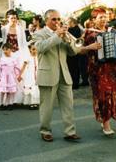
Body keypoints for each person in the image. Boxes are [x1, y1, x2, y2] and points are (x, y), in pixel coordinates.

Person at [33, 9, 81, 142]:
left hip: (64, 74)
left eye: (59, 19)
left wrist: (68, 41)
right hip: (48, 74)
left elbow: (74, 51)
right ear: (46, 20)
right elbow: (41, 48)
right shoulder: (38, 34)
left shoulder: (65, 33)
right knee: (46, 106)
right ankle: (45, 130)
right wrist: (56, 36)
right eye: (54, 19)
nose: (57, 22)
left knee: (68, 105)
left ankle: (70, 132)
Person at [82, 7, 116, 136]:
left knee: (114, 94)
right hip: (98, 70)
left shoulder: (113, 31)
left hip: (114, 70)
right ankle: (106, 122)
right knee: (103, 96)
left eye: (105, 16)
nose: (104, 19)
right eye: (100, 17)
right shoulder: (89, 33)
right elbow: (83, 49)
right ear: (94, 19)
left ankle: (105, 117)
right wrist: (90, 46)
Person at [0, 9, 31, 104]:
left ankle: (16, 99)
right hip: (7, 55)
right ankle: (5, 100)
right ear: (8, 18)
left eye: (15, 18)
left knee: (17, 75)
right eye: (12, 18)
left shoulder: (20, 29)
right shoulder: (4, 29)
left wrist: (26, 55)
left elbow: (23, 43)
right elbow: (2, 42)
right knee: (6, 76)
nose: (14, 20)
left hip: (18, 53)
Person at [0, 43, 22, 110]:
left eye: (7, 49)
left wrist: (18, 76)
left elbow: (17, 68)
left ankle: (10, 103)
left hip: (11, 77)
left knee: (10, 92)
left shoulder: (14, 59)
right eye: (4, 50)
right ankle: (2, 104)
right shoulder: (1, 60)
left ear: (11, 50)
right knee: (3, 91)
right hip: (3, 77)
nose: (5, 51)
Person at [22, 43, 40, 110]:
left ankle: (36, 102)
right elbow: (23, 66)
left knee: (36, 88)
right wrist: (20, 74)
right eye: (33, 49)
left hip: (37, 74)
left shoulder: (38, 57)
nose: (34, 51)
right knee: (31, 88)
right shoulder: (28, 57)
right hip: (30, 75)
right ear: (30, 50)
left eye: (36, 49)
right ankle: (31, 103)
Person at [66, 17, 82, 89]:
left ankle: (75, 83)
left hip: (75, 50)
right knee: (72, 68)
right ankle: (74, 83)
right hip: (71, 51)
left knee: (74, 68)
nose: (67, 23)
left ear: (72, 22)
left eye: (68, 22)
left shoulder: (75, 29)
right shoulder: (71, 29)